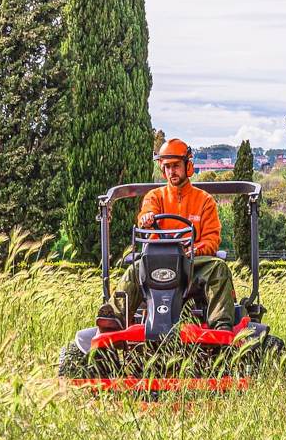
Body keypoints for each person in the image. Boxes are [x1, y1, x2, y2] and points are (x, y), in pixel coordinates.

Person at [96, 138, 236, 332]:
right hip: (157, 262)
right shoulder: (155, 197)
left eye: (176, 166)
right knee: (134, 271)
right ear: (162, 170)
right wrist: (146, 219)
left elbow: (212, 240)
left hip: (191, 265)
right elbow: (145, 213)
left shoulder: (205, 201)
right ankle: (114, 318)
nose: (172, 172)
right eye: (167, 167)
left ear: (188, 167)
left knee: (219, 268)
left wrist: (192, 250)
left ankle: (221, 326)